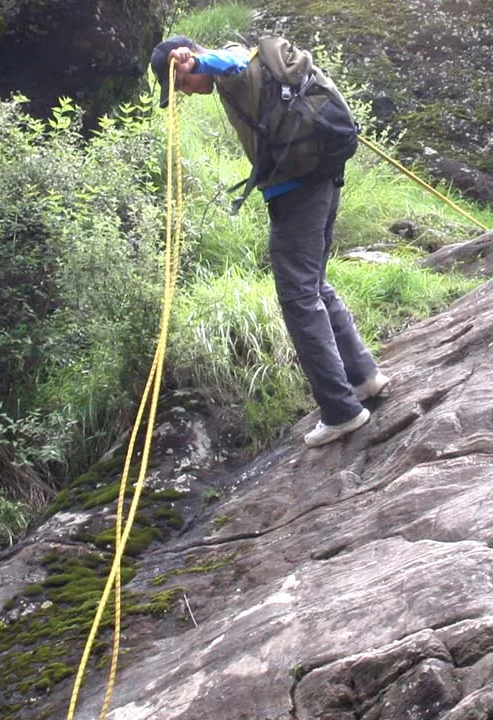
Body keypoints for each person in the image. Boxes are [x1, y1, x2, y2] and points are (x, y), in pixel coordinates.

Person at [149, 35, 390, 448]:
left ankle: (341, 411)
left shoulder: (233, 66)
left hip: (298, 190)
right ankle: (364, 377)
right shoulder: (255, 71)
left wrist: (196, 61)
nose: (186, 92)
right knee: (313, 284)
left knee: (297, 297)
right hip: (320, 178)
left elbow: (231, 61)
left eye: (182, 85)